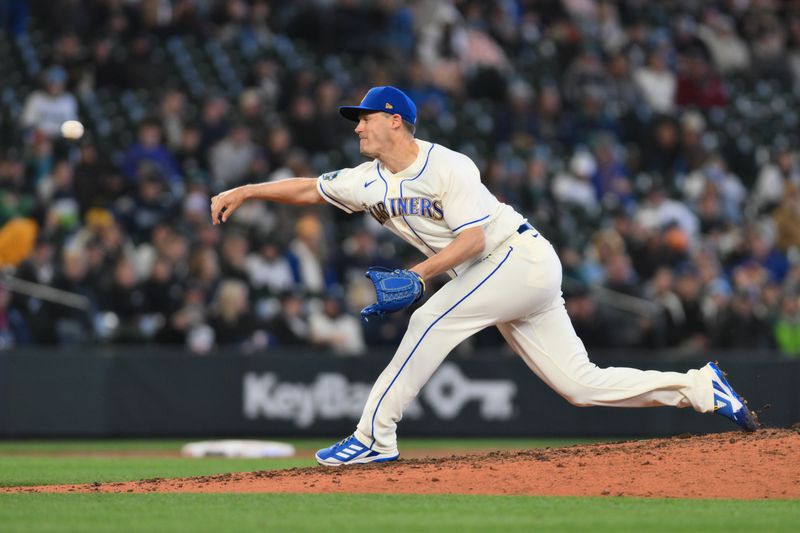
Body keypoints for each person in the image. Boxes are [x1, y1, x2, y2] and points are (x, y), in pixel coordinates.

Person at [210, 86, 758, 467]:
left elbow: (472, 238)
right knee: (580, 386)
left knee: (427, 317)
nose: (357, 125)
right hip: (493, 277)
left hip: (516, 259)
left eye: (365, 117)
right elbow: (309, 187)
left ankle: (373, 436)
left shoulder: (449, 165)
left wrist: (419, 274)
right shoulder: (366, 180)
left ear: (394, 119)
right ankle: (697, 387)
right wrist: (247, 191)